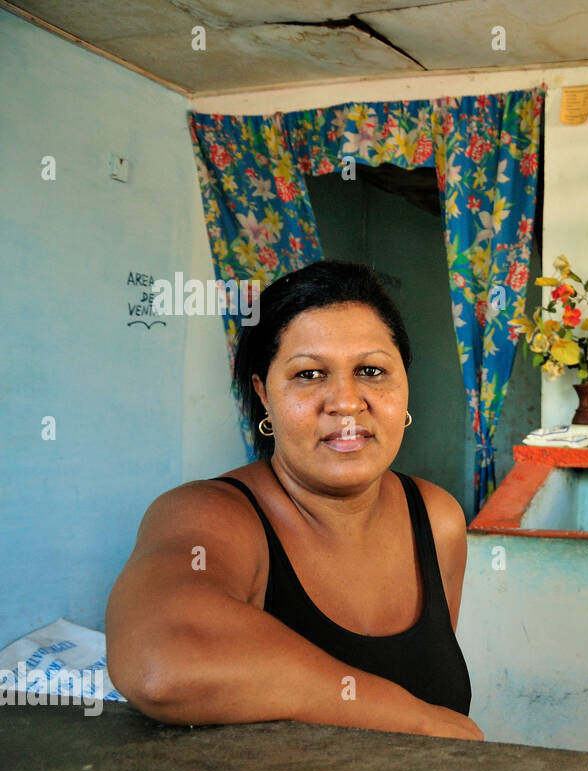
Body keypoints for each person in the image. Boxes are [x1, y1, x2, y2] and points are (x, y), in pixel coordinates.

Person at [105, 261, 483, 741]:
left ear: (404, 384)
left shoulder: (435, 517)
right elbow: (162, 662)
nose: (345, 401)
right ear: (264, 393)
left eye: (371, 371)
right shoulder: (212, 515)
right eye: (309, 374)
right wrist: (421, 722)